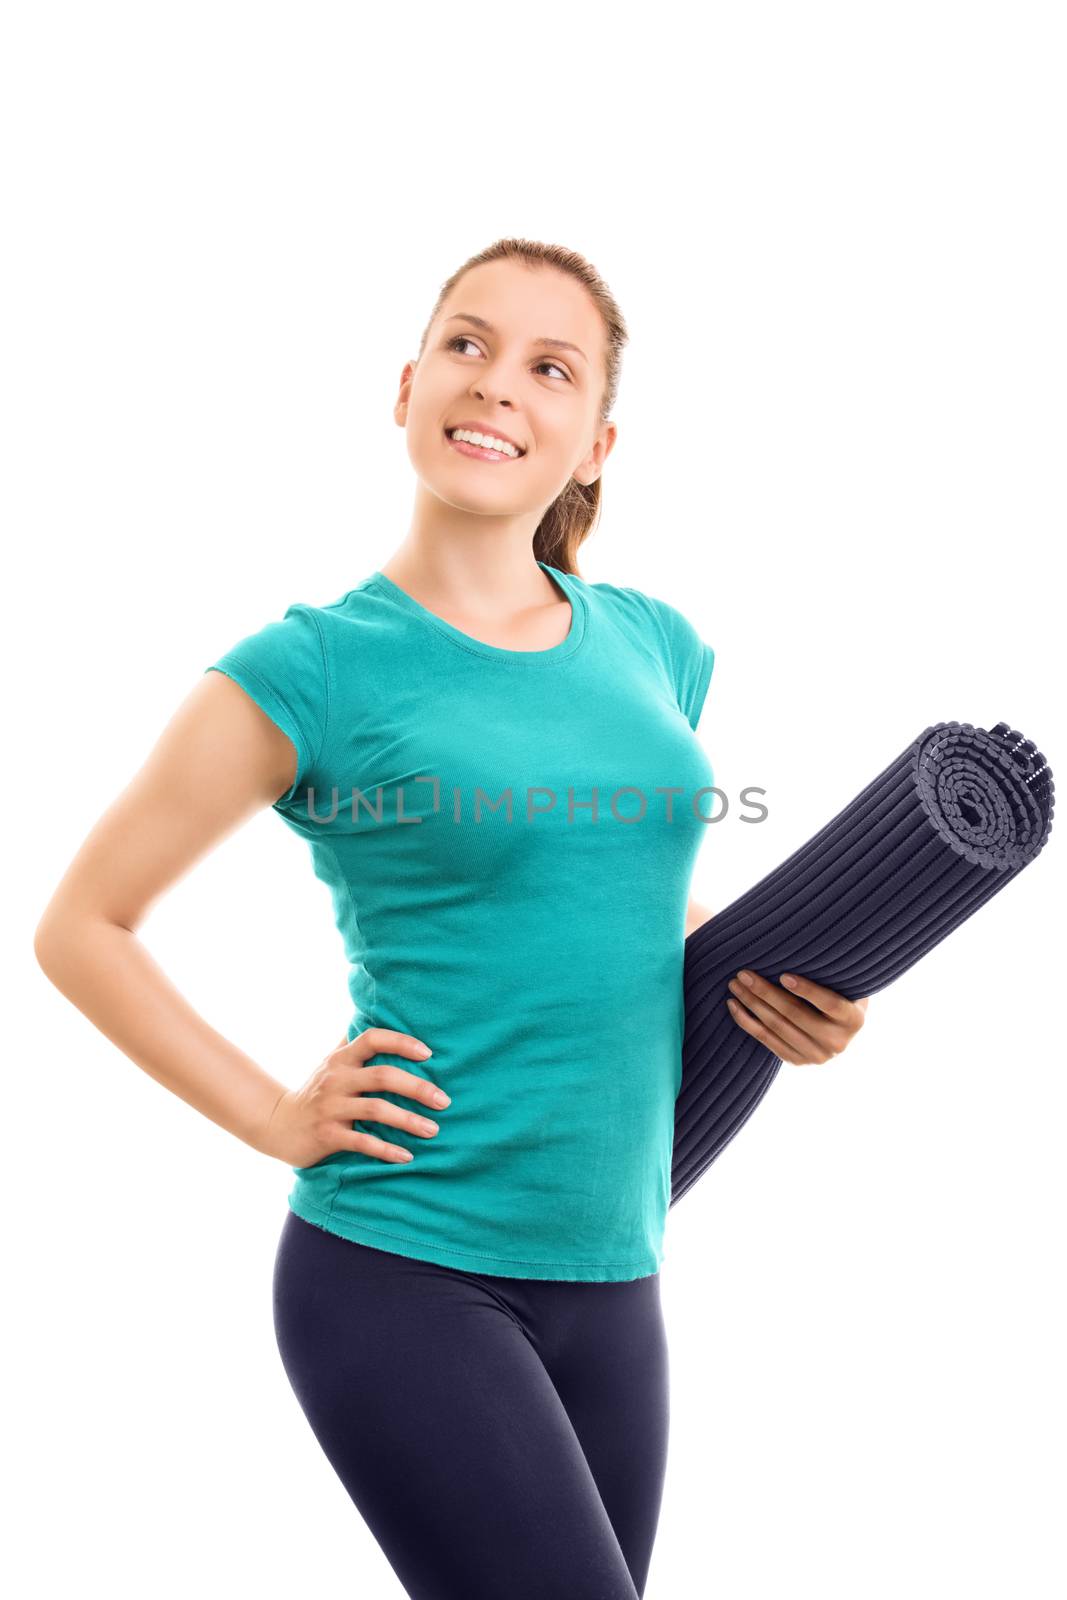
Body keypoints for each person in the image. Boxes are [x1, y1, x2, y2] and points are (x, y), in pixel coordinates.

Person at [34, 237, 868, 1600]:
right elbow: (82, 925)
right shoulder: (311, 666)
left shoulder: (655, 643)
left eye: (550, 367)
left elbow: (615, 897)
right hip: (403, 1269)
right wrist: (271, 1115)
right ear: (409, 382)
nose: (497, 387)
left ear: (594, 444)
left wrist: (783, 995)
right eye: (469, 347)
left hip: (618, 1273)